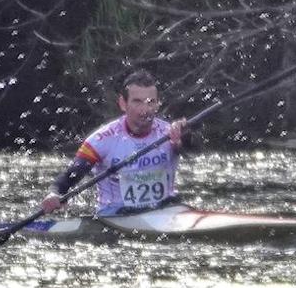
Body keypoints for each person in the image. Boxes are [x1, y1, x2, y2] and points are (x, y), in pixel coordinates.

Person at [39, 69, 196, 218]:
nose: (145, 110)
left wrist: (184, 139)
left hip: (166, 209)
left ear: (157, 104)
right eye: (137, 102)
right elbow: (71, 176)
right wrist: (55, 193)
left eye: (150, 102)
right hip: (117, 215)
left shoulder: (170, 133)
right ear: (123, 103)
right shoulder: (101, 140)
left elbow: (191, 150)